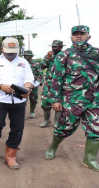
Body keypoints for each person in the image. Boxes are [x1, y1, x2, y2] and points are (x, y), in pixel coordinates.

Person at [44, 25, 99, 172]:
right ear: (71, 37)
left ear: (89, 36)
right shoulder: (64, 55)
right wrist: (55, 100)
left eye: (82, 34)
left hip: (94, 100)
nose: (79, 36)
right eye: (76, 34)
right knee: (64, 127)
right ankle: (53, 146)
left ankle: (90, 159)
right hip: (72, 100)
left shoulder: (97, 54)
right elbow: (56, 79)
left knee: (96, 129)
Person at [0, 37, 34, 170]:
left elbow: (29, 79)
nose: (11, 54)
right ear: (1, 49)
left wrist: (27, 89)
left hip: (19, 100)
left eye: (13, 51)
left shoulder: (23, 62)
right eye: (8, 51)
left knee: (17, 128)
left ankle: (10, 155)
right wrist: (0, 86)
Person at [40, 40, 65, 128]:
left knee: (58, 102)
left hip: (60, 84)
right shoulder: (48, 56)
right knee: (45, 102)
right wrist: (47, 57)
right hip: (49, 83)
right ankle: (47, 120)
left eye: (56, 47)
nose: (54, 48)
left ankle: (57, 122)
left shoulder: (65, 56)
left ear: (61, 47)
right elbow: (42, 67)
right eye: (53, 47)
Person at [22, 50, 43, 118]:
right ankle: (21, 113)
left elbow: (40, 74)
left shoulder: (36, 64)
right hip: (23, 85)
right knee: (23, 98)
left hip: (33, 85)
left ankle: (32, 111)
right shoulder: (21, 63)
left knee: (33, 99)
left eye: (28, 56)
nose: (27, 57)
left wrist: (36, 83)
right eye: (25, 56)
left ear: (31, 56)